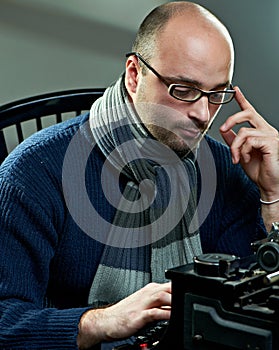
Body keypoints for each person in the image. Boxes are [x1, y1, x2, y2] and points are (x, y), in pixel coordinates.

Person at [0, 1, 278, 349]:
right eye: (184, 90)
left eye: (216, 93)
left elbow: (254, 300)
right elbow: (4, 322)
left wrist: (273, 194)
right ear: (134, 74)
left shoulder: (224, 167)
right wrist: (101, 321)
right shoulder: (33, 175)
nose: (202, 114)